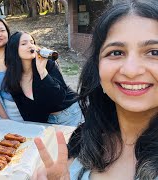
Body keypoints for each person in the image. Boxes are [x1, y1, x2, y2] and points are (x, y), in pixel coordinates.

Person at [34, 0, 158, 179]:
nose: (131, 71)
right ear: (97, 68)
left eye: (154, 52)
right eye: (116, 52)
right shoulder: (84, 141)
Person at [3, 31, 83, 126]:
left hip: (69, 114)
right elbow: (26, 112)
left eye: (32, 42)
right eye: (24, 43)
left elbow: (58, 98)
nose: (31, 46)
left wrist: (42, 71)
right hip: (47, 121)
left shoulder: (47, 64)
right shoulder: (12, 78)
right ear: (13, 50)